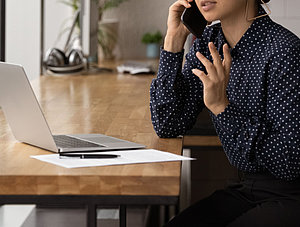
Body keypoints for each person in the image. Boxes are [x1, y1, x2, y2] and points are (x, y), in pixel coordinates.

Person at [150, 0, 300, 226]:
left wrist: (222, 107)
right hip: (245, 189)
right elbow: (168, 123)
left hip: (290, 195)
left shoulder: (285, 51)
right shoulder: (206, 44)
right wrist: (173, 41)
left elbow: (289, 162)